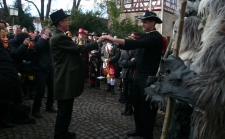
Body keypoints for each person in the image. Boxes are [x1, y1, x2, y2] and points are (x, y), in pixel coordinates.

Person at [103, 10, 163, 139]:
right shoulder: (145, 36)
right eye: (142, 22)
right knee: (137, 104)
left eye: (145, 22)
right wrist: (112, 42)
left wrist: (113, 38)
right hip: (139, 75)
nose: (142, 24)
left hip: (149, 77)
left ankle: (147, 134)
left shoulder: (155, 37)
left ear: (153, 23)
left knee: (148, 108)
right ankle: (139, 129)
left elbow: (135, 43)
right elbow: (129, 46)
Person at [49, 9, 104, 139]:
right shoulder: (60, 37)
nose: (69, 22)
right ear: (61, 22)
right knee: (64, 110)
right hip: (64, 78)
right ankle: (59, 134)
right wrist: (98, 42)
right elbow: (79, 49)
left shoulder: (59, 36)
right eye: (67, 20)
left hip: (64, 76)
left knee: (66, 109)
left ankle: (63, 132)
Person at [30, 27, 57, 118]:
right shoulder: (37, 40)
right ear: (42, 34)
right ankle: (35, 110)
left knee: (52, 89)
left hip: (50, 68)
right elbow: (36, 49)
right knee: (40, 91)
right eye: (47, 33)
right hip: (40, 70)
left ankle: (49, 106)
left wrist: (50, 41)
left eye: (49, 33)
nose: (49, 35)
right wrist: (43, 39)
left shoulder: (49, 42)